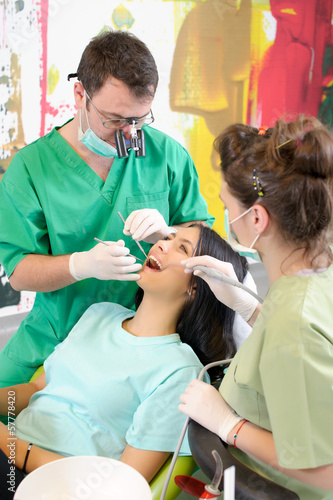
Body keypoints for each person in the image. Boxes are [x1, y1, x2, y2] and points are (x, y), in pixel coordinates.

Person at [0, 29, 214, 389]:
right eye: (115, 120)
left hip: (147, 340)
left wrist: (170, 234)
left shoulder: (165, 155)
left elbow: (206, 243)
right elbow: (19, 271)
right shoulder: (30, 169)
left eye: (139, 120)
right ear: (80, 94)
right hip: (59, 334)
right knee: (8, 408)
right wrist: (79, 265)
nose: (130, 134)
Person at [0, 225, 248, 498]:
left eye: (182, 248)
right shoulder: (100, 314)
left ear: (196, 287)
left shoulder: (180, 372)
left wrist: (13, 448)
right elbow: (37, 390)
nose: (161, 245)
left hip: (51, 487)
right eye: (167, 238)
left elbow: (121, 482)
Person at [179, 115, 333, 500]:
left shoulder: (293, 323)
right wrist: (250, 309)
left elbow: (326, 472)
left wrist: (229, 425)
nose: (228, 218)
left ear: (258, 218)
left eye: (228, 208)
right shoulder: (313, 272)